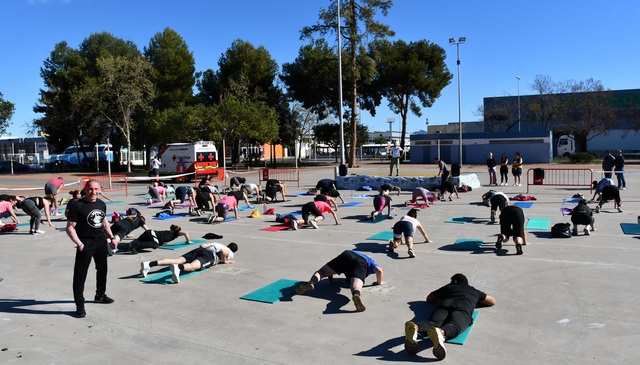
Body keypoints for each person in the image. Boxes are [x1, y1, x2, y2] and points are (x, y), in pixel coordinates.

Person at [404, 273, 496, 359]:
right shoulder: (474, 291)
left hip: (446, 304)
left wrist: (441, 299)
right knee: (455, 325)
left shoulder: (450, 287)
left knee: (434, 323)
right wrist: (474, 300)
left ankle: (415, 328)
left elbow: (429, 298)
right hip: (463, 306)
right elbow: (492, 301)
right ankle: (441, 333)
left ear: (453, 282)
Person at [66, 179, 116, 318]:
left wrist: (111, 237)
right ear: (85, 189)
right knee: (80, 275)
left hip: (100, 241)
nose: (93, 192)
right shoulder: (78, 205)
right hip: (85, 243)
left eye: (96, 189)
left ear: (99, 190)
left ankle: (100, 295)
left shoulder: (101, 203)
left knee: (102, 269)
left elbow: (103, 221)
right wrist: (80, 244)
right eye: (90, 189)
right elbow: (70, 228)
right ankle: (79, 305)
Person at [295, 250, 384, 312]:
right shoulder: (370, 262)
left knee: (321, 272)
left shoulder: (358, 255)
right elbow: (379, 270)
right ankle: (356, 295)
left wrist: (331, 280)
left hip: (347, 254)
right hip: (361, 262)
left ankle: (311, 282)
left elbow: (332, 270)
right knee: (356, 287)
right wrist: (378, 282)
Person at [140, 242, 237, 283]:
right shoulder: (230, 252)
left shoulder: (218, 244)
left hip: (200, 250)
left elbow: (202, 245)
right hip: (209, 256)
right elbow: (224, 252)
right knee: (193, 266)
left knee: (176, 260)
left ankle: (149, 264)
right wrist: (225, 261)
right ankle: (179, 268)